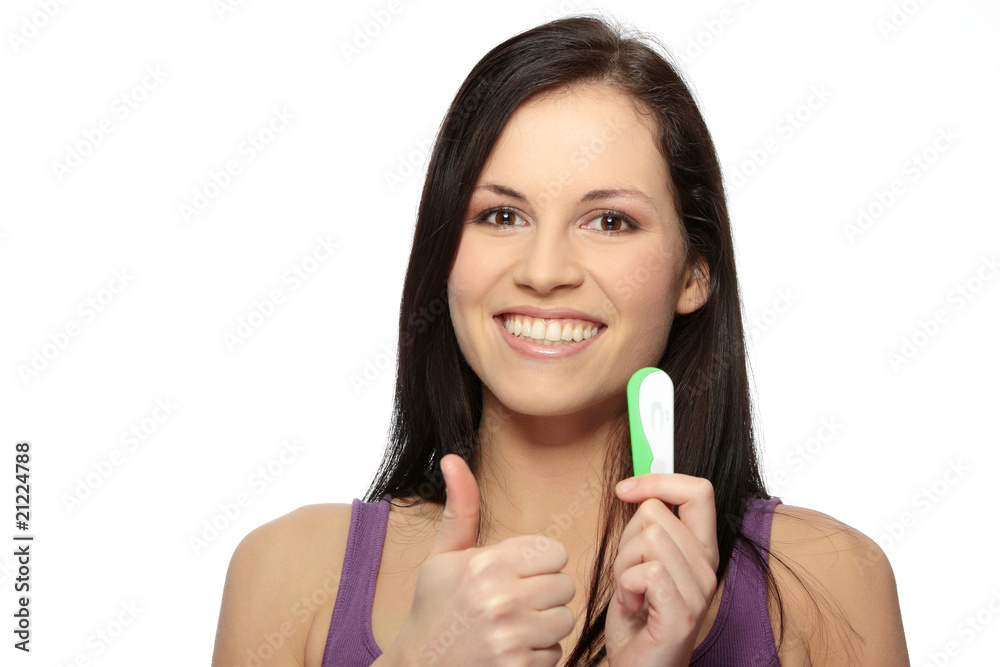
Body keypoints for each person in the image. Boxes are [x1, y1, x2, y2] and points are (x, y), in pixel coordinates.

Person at [212, 15, 908, 667]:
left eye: (609, 221)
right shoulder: (288, 572)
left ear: (694, 272)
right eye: (501, 215)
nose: (544, 272)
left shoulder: (829, 584)